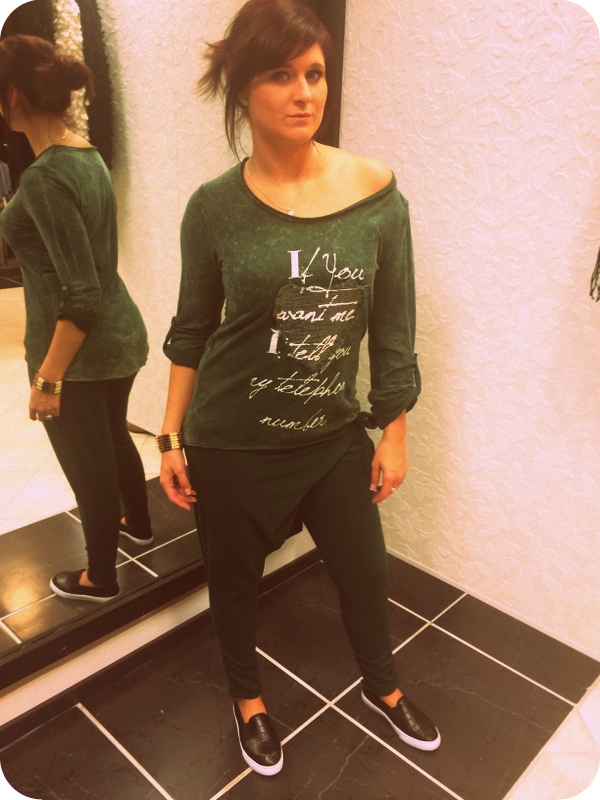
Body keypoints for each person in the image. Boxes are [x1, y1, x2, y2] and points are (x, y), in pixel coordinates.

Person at [159, 0, 440, 775]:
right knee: (235, 584)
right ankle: (248, 701)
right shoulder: (212, 208)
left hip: (330, 435)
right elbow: (191, 331)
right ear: (242, 88)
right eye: (281, 75)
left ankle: (383, 688)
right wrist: (171, 436)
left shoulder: (376, 195)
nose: (305, 92)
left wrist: (394, 430)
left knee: (365, 572)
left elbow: (393, 325)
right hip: (231, 438)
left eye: (315, 73)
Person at [0, 35, 153, 603]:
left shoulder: (45, 177)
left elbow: (80, 295)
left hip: (77, 349)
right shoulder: (85, 155)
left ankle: (99, 578)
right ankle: (138, 524)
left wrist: (47, 379)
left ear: (13, 96)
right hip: (120, 334)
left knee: (89, 466)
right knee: (113, 439)